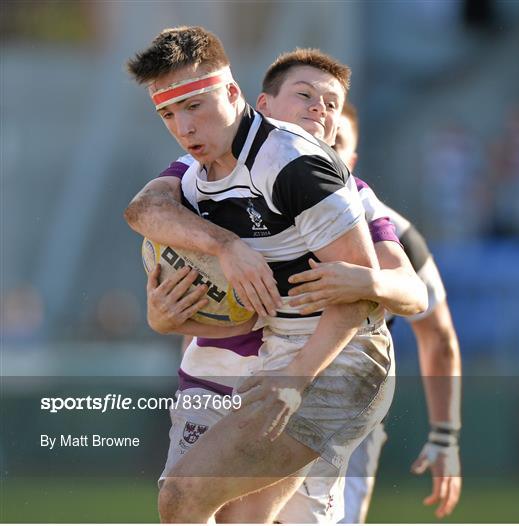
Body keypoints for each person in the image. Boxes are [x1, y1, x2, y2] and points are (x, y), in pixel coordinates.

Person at [125, 27, 426, 524]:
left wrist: (294, 380)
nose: (183, 126)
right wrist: (222, 250)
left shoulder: (292, 165)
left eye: (195, 106)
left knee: (184, 499)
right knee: (235, 517)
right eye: (168, 114)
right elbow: (143, 210)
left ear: (234, 93)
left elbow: (355, 298)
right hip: (276, 351)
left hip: (339, 361)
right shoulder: (199, 168)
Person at [308, 102, 462, 522]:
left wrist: (445, 436)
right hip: (261, 397)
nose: (320, 144)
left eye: (335, 140)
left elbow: (438, 335)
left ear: (352, 160)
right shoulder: (252, 222)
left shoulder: (398, 237)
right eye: (306, 132)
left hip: (350, 416)